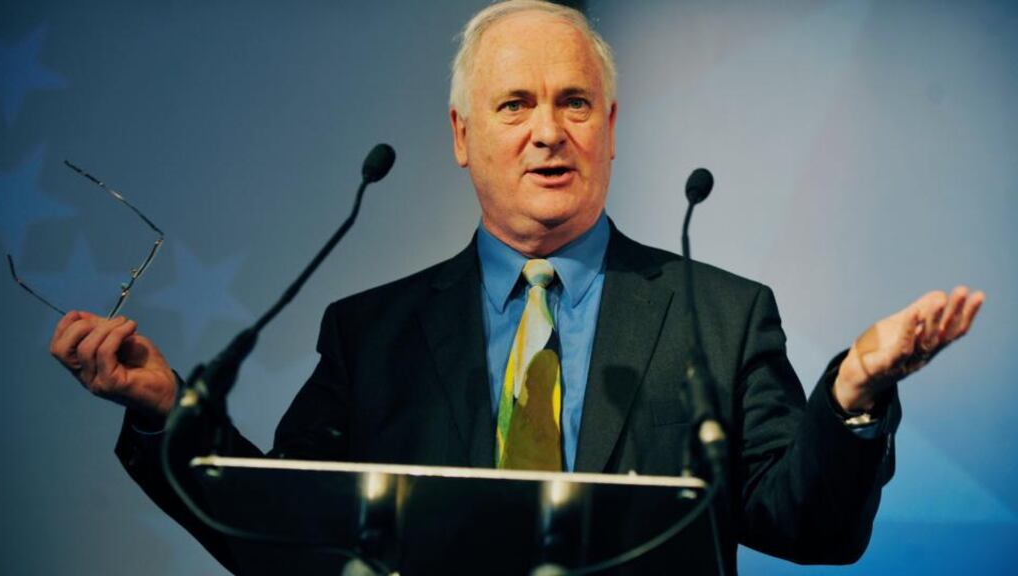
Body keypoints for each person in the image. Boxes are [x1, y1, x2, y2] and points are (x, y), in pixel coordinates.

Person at [49, 1, 984, 573]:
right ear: (462, 136)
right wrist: (168, 412)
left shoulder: (722, 316)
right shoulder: (370, 335)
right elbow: (288, 539)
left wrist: (855, 394)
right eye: (515, 104)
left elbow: (807, 526)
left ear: (610, 128)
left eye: (573, 103)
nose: (549, 132)